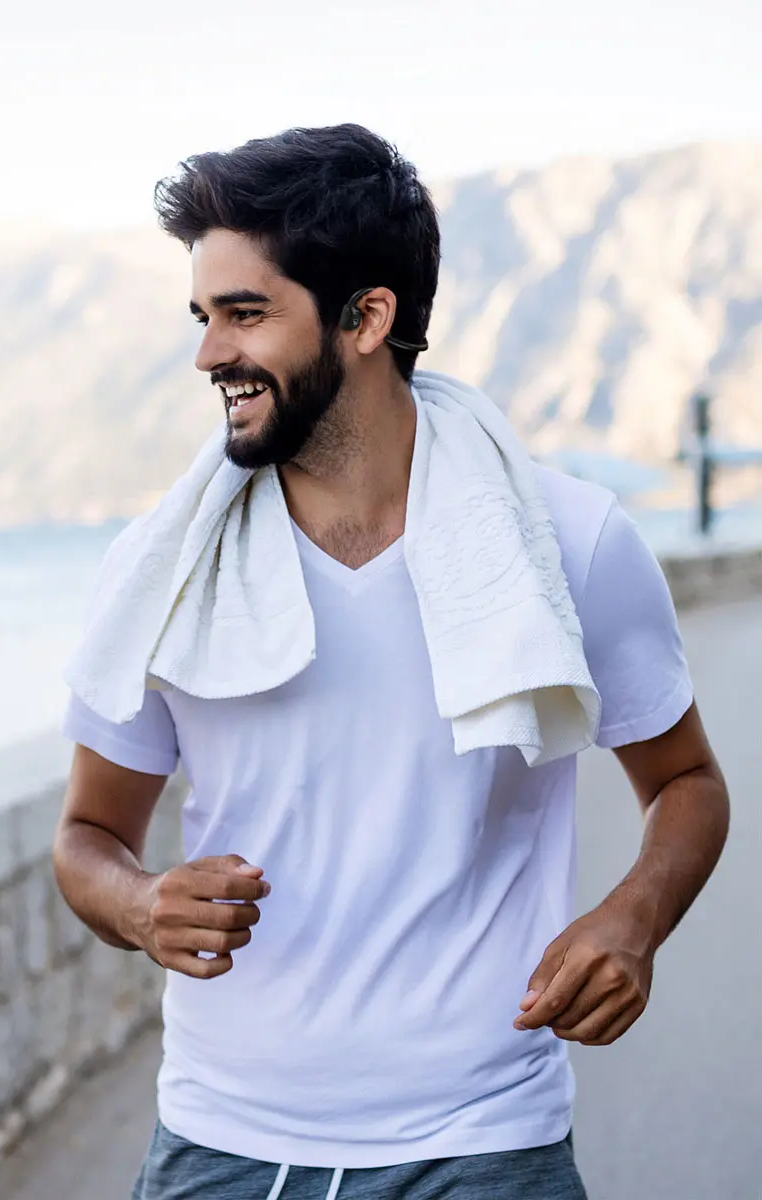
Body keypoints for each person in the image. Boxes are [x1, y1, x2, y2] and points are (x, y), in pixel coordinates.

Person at [53, 125, 730, 1199]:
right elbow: (88, 838)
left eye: (245, 314)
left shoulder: (571, 541)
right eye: (201, 316)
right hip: (222, 1143)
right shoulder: (161, 568)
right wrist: (140, 905)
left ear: (366, 316)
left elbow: (687, 785)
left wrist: (633, 916)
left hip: (485, 1137)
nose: (205, 355)